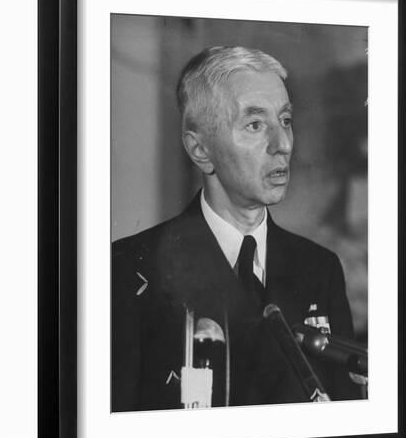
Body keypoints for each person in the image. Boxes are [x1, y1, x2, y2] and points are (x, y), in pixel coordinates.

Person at [112, 46, 362, 412]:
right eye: (255, 124)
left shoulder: (319, 269)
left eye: (286, 120)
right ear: (200, 150)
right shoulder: (128, 270)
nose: (283, 145)